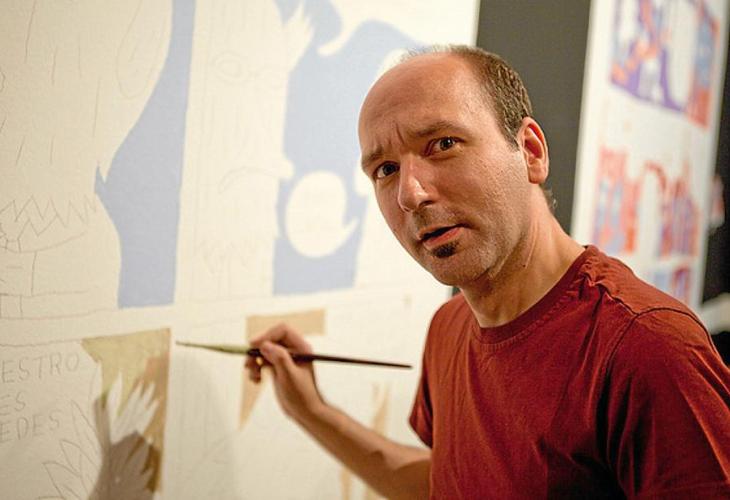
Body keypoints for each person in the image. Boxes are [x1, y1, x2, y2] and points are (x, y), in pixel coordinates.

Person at [245, 45, 730, 498]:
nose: (410, 194)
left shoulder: (647, 346)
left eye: (443, 144)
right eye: (386, 170)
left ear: (531, 152)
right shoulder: (448, 327)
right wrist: (312, 411)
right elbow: (446, 482)